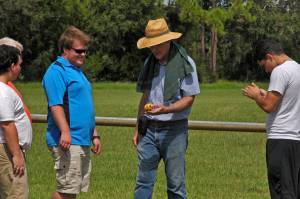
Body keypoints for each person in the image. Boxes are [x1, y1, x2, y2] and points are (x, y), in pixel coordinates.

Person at [133, 18, 200, 199]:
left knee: (175, 185)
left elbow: (189, 99)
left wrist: (166, 109)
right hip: (148, 129)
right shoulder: (150, 64)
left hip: (175, 130)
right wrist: (138, 128)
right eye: (151, 46)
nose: (154, 50)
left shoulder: (186, 63)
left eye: (157, 45)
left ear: (168, 41)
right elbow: (145, 97)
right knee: (143, 182)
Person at [42, 26, 102, 199]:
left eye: (85, 51)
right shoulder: (56, 71)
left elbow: (85, 106)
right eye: (79, 51)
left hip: (81, 139)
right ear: (65, 49)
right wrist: (65, 131)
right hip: (68, 140)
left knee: (71, 190)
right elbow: (56, 105)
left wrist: (94, 135)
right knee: (65, 190)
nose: (83, 54)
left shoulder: (77, 71)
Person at [242, 39, 300, 199]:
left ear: (270, 57)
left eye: (264, 65)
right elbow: (288, 99)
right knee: (293, 190)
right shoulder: (297, 68)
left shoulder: (280, 71)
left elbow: (268, 106)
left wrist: (255, 96)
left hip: (280, 140)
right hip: (296, 141)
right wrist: (265, 93)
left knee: (281, 192)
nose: (266, 71)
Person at [0, 45, 32, 198]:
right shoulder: (3, 92)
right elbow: (7, 124)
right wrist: (16, 154)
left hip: (7, 148)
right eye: (19, 64)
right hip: (7, 150)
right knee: (16, 194)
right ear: (12, 66)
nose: (20, 68)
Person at [0, 37, 32, 123]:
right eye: (16, 54)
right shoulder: (3, 87)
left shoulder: (8, 83)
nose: (19, 59)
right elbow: (6, 124)